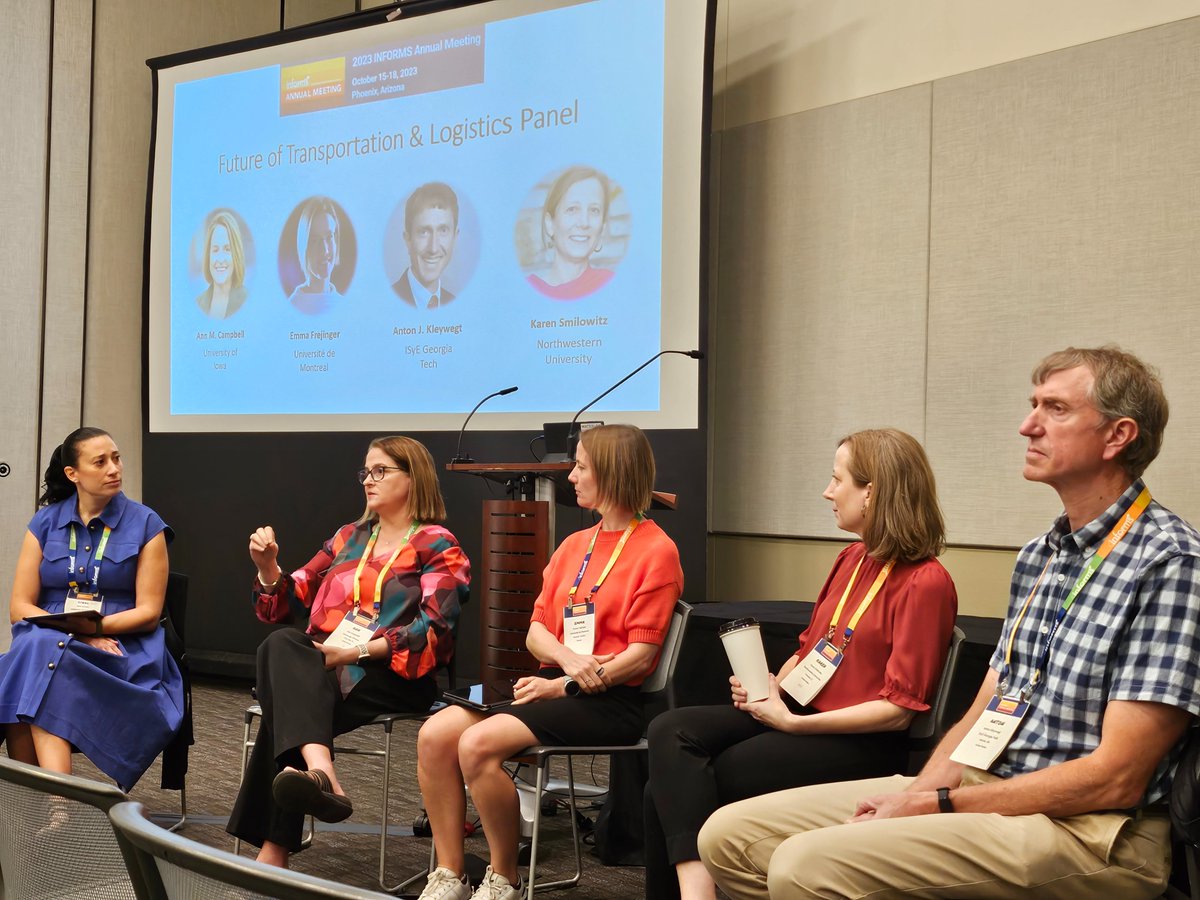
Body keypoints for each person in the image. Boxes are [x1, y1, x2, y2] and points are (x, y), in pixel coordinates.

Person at [700, 346, 1200, 899]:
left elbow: (1117, 775)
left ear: (1117, 436)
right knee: (729, 838)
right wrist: (925, 790)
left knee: (805, 865)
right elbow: (989, 701)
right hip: (987, 785)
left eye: (1054, 409)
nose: (1026, 425)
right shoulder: (1043, 554)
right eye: (1032, 405)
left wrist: (934, 804)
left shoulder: (1169, 562)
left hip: (1092, 829)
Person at [645, 428, 957, 900]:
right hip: (798, 710)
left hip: (859, 741)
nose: (827, 491)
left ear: (871, 492)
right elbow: (812, 646)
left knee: (671, 791)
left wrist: (791, 725)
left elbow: (899, 710)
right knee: (671, 731)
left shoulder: (926, 583)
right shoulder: (851, 558)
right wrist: (770, 689)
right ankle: (698, 892)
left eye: (837, 480)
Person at [414, 424, 683, 900]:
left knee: (476, 746)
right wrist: (564, 660)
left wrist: (567, 683)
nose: (572, 476)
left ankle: (503, 880)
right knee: (435, 734)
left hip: (611, 700)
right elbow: (537, 632)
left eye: (581, 466)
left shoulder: (656, 551)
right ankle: (451, 875)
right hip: (552, 684)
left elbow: (641, 656)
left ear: (613, 473)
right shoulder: (574, 546)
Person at [225, 436, 470, 869]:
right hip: (323, 667)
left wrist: (355, 654)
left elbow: (435, 629)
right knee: (281, 643)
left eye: (381, 471)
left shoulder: (438, 544)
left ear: (414, 479)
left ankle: (275, 850)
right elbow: (287, 601)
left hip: (391, 674)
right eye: (365, 472)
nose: (368, 481)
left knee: (285, 702)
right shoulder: (349, 537)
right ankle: (321, 773)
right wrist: (267, 569)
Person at [0, 427, 184, 791]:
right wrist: (74, 633)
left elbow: (149, 612)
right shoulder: (44, 523)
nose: (114, 468)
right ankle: (51, 800)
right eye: (100, 462)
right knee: (36, 650)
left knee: (30, 660)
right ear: (73, 474)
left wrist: (92, 632)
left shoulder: (147, 524)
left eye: (116, 458)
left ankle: (51, 798)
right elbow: (19, 608)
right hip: (55, 639)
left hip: (123, 650)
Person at [526, 166, 615, 301]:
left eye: (594, 210)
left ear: (602, 228)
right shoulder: (528, 290)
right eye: (572, 209)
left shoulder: (611, 285)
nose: (584, 223)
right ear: (550, 224)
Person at [392, 182, 460, 309]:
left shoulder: (457, 304)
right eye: (423, 232)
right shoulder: (386, 301)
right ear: (408, 239)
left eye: (443, 231)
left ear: (455, 237)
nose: (433, 248)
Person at [288, 196, 343, 314]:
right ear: (304, 247)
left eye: (329, 237)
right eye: (314, 241)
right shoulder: (292, 306)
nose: (324, 251)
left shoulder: (344, 304)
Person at [195, 210, 248, 319]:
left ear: (236, 254)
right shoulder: (198, 303)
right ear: (208, 255)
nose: (220, 259)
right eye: (215, 250)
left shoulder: (247, 301)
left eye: (227, 249)